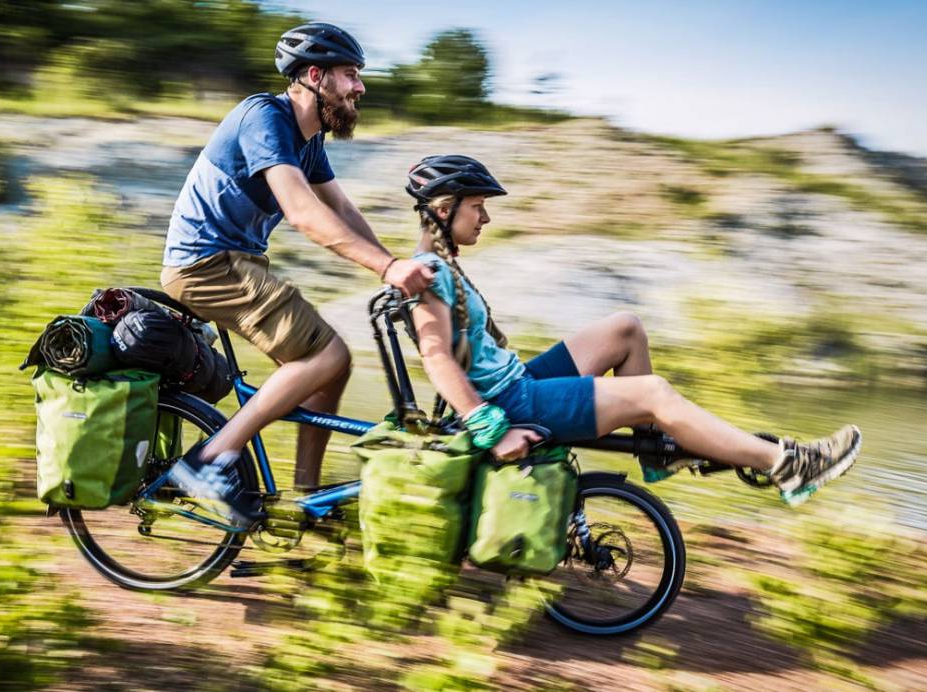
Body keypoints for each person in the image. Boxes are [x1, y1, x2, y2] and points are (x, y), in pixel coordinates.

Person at [403, 154, 861, 506]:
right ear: (445, 209)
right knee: (654, 392)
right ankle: (789, 465)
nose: (485, 218)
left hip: (517, 382)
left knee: (625, 329)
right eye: (478, 207)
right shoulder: (429, 271)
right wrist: (490, 429)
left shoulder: (440, 265)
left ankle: (657, 449)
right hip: (510, 403)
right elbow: (436, 356)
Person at [160, 23, 434, 522]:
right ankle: (208, 460)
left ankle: (301, 502)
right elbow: (305, 214)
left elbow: (343, 210)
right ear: (314, 76)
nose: (360, 87)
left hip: (232, 263)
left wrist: (392, 267)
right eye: (351, 75)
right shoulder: (264, 117)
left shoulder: (308, 142)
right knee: (326, 353)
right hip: (204, 265)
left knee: (334, 368)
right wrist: (388, 267)